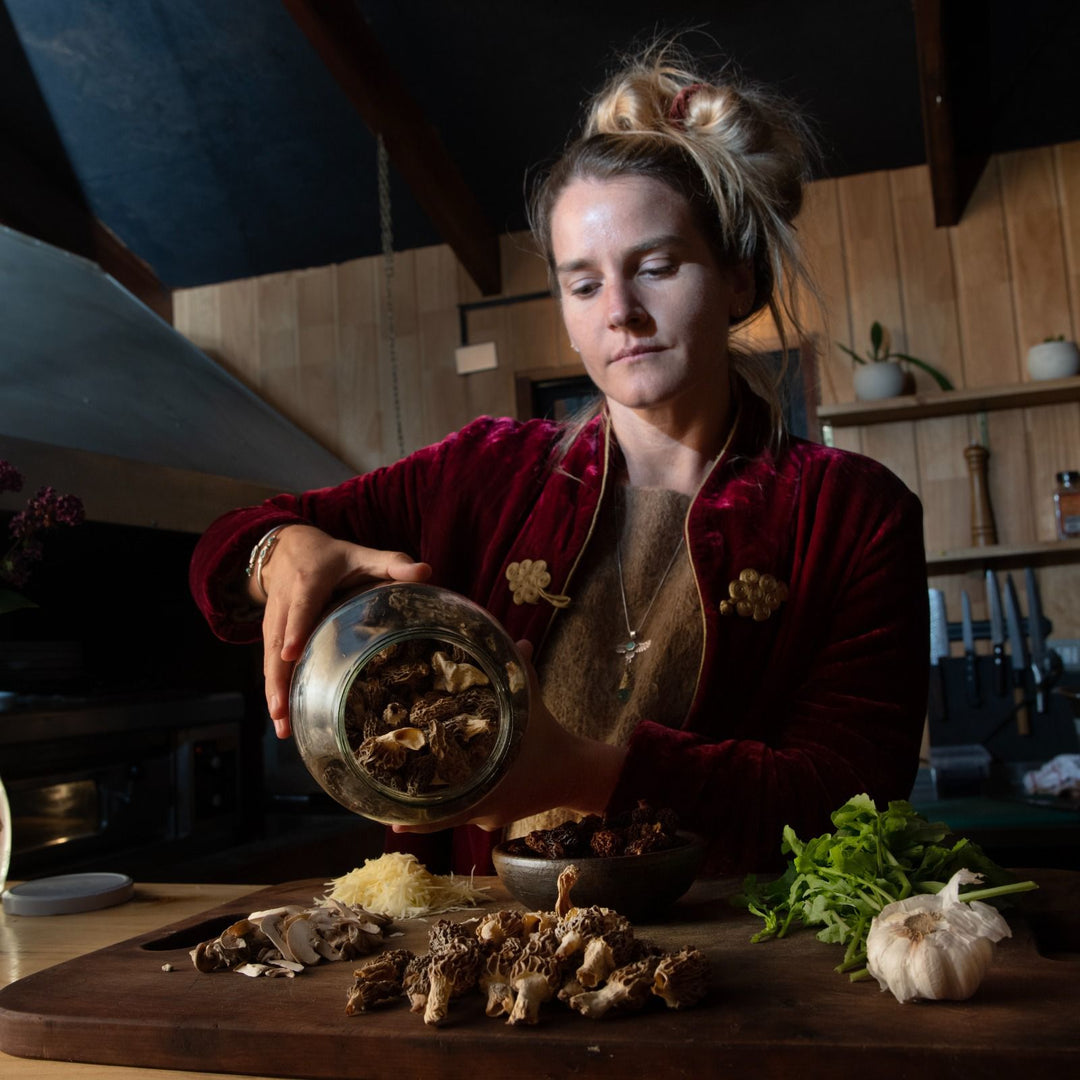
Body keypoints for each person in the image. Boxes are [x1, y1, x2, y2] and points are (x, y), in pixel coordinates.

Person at [189, 46, 929, 877]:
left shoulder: (853, 514)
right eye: (583, 285)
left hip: (737, 974)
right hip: (486, 969)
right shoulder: (485, 472)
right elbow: (224, 547)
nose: (621, 312)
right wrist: (276, 552)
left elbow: (851, 800)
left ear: (736, 281)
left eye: (656, 267)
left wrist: (580, 772)